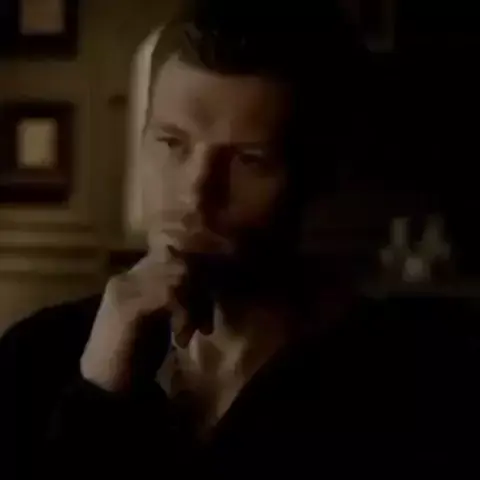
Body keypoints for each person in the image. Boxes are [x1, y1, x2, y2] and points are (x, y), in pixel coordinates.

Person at [1, 0, 479, 478]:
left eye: (249, 160)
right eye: (171, 143)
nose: (196, 191)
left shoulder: (419, 379)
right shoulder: (39, 354)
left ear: (319, 177)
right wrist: (98, 392)